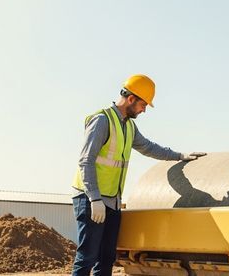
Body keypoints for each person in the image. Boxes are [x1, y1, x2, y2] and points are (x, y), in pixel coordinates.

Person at [71, 74, 206, 276]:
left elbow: (149, 147)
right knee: (87, 257)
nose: (144, 110)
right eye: (143, 105)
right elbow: (86, 160)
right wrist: (94, 198)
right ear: (131, 99)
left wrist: (180, 156)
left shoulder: (128, 126)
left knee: (106, 258)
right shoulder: (102, 121)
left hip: (112, 201)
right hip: (91, 199)